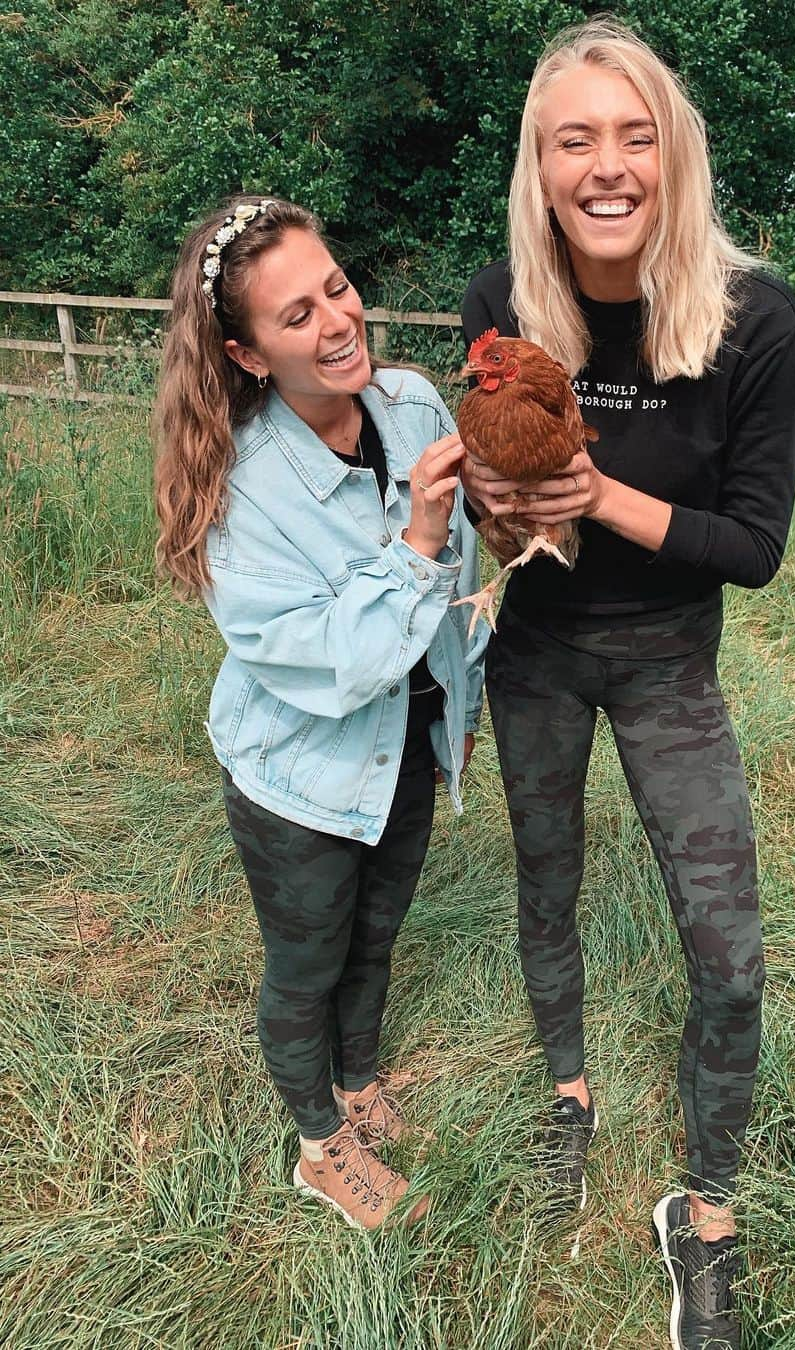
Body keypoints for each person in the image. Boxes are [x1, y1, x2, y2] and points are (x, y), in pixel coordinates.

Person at [460, 18, 795, 1348]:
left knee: (729, 953)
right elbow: (497, 508)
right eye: (573, 140)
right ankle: (568, 1092)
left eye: (632, 135)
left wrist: (599, 489)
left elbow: (756, 548)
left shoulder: (753, 319)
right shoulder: (504, 296)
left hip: (671, 654)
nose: (606, 165)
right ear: (542, 171)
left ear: (672, 154)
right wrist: (493, 510)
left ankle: (702, 1211)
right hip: (536, 643)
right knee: (545, 872)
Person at [154, 196, 486, 1231]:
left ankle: (358, 1083)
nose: (337, 322)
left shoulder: (417, 405)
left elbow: (466, 575)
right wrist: (417, 540)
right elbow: (333, 663)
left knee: (378, 934)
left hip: (410, 750)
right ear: (247, 354)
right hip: (300, 774)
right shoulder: (243, 493)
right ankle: (316, 1141)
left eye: (336, 288)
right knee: (309, 962)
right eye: (295, 316)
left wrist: (462, 695)